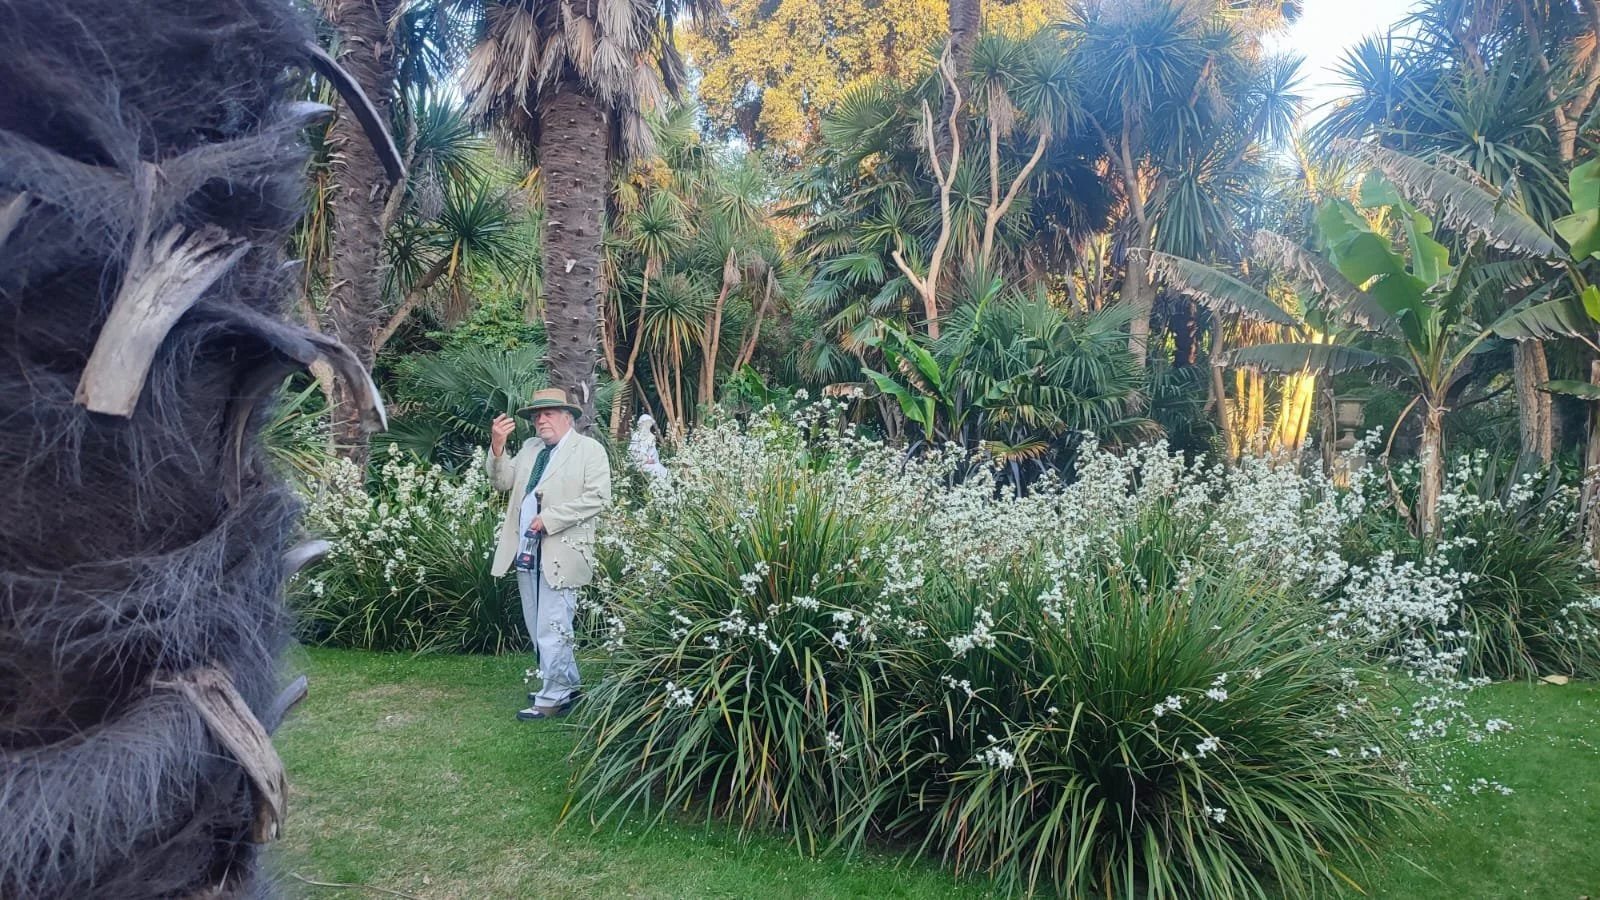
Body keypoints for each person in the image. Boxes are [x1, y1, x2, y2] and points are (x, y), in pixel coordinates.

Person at [487, 388, 612, 721]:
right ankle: (566, 684)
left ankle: (553, 697)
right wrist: (498, 448)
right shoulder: (529, 448)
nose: (541, 420)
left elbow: (598, 498)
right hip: (526, 549)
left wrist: (550, 519)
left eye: (549, 413)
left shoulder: (589, 450)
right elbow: (502, 483)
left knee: (553, 624)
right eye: (537, 415)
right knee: (535, 621)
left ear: (567, 417)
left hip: (562, 550)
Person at [628, 413, 669, 483]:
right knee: (658, 468)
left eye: (649, 424)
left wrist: (652, 459)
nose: (647, 426)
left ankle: (664, 487)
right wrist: (646, 459)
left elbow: (653, 452)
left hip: (651, 463)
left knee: (663, 469)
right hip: (640, 464)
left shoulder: (651, 437)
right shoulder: (637, 436)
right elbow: (633, 452)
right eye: (646, 424)